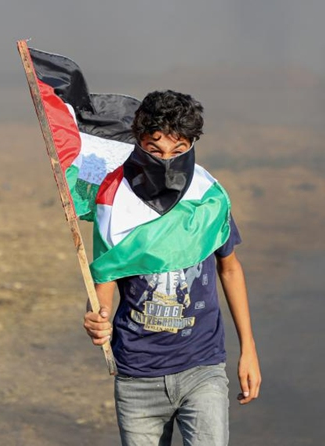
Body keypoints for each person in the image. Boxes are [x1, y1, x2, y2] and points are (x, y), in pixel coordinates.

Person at [83, 90, 261, 446]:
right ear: (138, 141)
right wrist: (95, 320)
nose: (166, 161)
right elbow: (102, 284)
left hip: (203, 368)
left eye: (178, 152)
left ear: (192, 144)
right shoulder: (115, 201)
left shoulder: (207, 198)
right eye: (154, 149)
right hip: (138, 375)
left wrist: (249, 349)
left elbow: (230, 269)